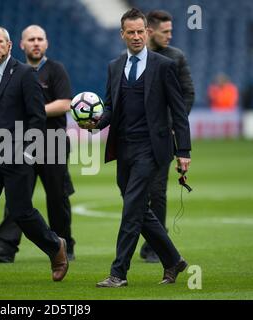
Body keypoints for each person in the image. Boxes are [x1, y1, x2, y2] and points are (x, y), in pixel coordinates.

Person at [80, 8, 191, 287]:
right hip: (123, 149)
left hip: (152, 150)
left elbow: (179, 111)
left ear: (147, 32)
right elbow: (111, 107)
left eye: (141, 31)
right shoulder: (114, 66)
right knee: (140, 211)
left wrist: (184, 151)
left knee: (131, 210)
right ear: (123, 34)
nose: (137, 36)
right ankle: (173, 260)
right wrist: (96, 123)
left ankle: (118, 273)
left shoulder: (164, 66)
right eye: (131, 32)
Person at [0, 26, 68, 285]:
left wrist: (30, 153)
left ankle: (55, 246)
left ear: (9, 46)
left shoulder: (25, 74)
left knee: (21, 212)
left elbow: (36, 116)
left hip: (16, 152)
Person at [0, 25, 76, 263]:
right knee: (17, 197)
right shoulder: (13, 72)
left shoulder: (56, 70)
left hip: (53, 141)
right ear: (21, 45)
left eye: (40, 39)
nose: (36, 43)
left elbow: (64, 103)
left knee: (57, 198)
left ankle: (64, 245)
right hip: (22, 141)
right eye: (31, 39)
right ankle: (5, 248)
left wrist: (32, 111)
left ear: (46, 43)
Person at [139, 10, 195, 263]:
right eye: (166, 31)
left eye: (171, 31)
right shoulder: (133, 58)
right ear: (150, 31)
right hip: (137, 137)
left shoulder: (175, 57)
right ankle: (149, 240)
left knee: (157, 191)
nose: (170, 36)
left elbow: (188, 94)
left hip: (162, 136)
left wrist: (173, 125)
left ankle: (155, 247)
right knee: (133, 192)